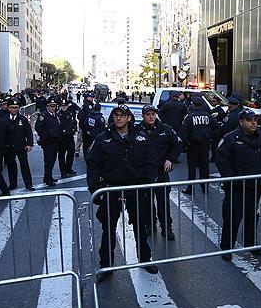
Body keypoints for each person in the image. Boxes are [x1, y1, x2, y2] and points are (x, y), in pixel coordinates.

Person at [87, 105, 160, 281]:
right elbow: (93, 165)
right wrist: (96, 189)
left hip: (135, 188)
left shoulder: (141, 137)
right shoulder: (102, 139)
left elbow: (151, 161)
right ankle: (106, 265)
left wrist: (148, 184)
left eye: (122, 115)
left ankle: (144, 258)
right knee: (108, 228)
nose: (118, 118)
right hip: (111, 188)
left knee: (140, 226)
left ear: (129, 118)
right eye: (116, 115)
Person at [216, 108, 261, 260]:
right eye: (250, 120)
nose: (254, 123)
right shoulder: (230, 139)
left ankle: (251, 244)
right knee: (232, 219)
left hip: (257, 187)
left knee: (252, 218)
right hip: (237, 189)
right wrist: (234, 180)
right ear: (241, 121)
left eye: (255, 120)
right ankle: (227, 248)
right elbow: (222, 162)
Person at [137, 105, 181, 240]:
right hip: (145, 174)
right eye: (148, 114)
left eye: (153, 114)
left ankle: (166, 228)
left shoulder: (166, 129)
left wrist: (170, 159)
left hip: (161, 172)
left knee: (163, 203)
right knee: (146, 203)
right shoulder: (137, 130)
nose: (151, 117)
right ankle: (150, 225)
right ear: (143, 115)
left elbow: (177, 144)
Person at [179, 95, 220, 194]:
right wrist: (211, 139)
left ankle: (190, 188)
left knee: (192, 168)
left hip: (192, 146)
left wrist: (183, 145)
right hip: (205, 145)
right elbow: (217, 128)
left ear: (193, 104)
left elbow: (183, 132)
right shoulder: (208, 116)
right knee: (204, 167)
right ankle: (204, 187)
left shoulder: (189, 117)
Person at [4, 98, 34, 191]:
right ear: (9, 108)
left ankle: (28, 184)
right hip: (9, 147)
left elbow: (28, 132)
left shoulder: (22, 119)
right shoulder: (4, 119)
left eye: (16, 107)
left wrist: (29, 144)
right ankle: (13, 184)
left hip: (21, 146)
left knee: (24, 165)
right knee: (11, 166)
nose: (14, 109)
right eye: (12, 108)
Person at [35, 97, 65, 187]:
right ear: (47, 106)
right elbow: (38, 128)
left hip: (56, 141)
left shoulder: (56, 115)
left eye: (54, 106)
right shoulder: (43, 116)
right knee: (48, 161)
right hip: (48, 142)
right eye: (50, 106)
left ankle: (48, 176)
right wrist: (46, 137)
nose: (52, 108)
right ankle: (48, 179)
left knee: (52, 160)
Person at [57, 100, 78, 177]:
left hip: (70, 137)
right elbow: (59, 126)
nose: (64, 107)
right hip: (62, 138)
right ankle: (63, 171)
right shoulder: (58, 115)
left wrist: (74, 129)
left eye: (65, 106)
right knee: (61, 155)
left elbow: (74, 122)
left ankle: (68, 168)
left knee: (71, 153)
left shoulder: (70, 113)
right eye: (62, 106)